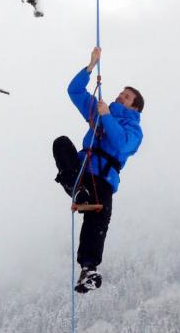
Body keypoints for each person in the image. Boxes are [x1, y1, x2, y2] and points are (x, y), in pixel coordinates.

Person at [53, 47, 144, 293]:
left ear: (134, 108)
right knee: (61, 143)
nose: (120, 96)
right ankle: (75, 187)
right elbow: (74, 91)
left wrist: (106, 117)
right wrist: (90, 66)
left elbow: (121, 144)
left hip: (103, 177)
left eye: (126, 97)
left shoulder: (133, 130)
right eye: (121, 93)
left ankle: (89, 269)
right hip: (83, 169)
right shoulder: (100, 110)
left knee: (98, 221)